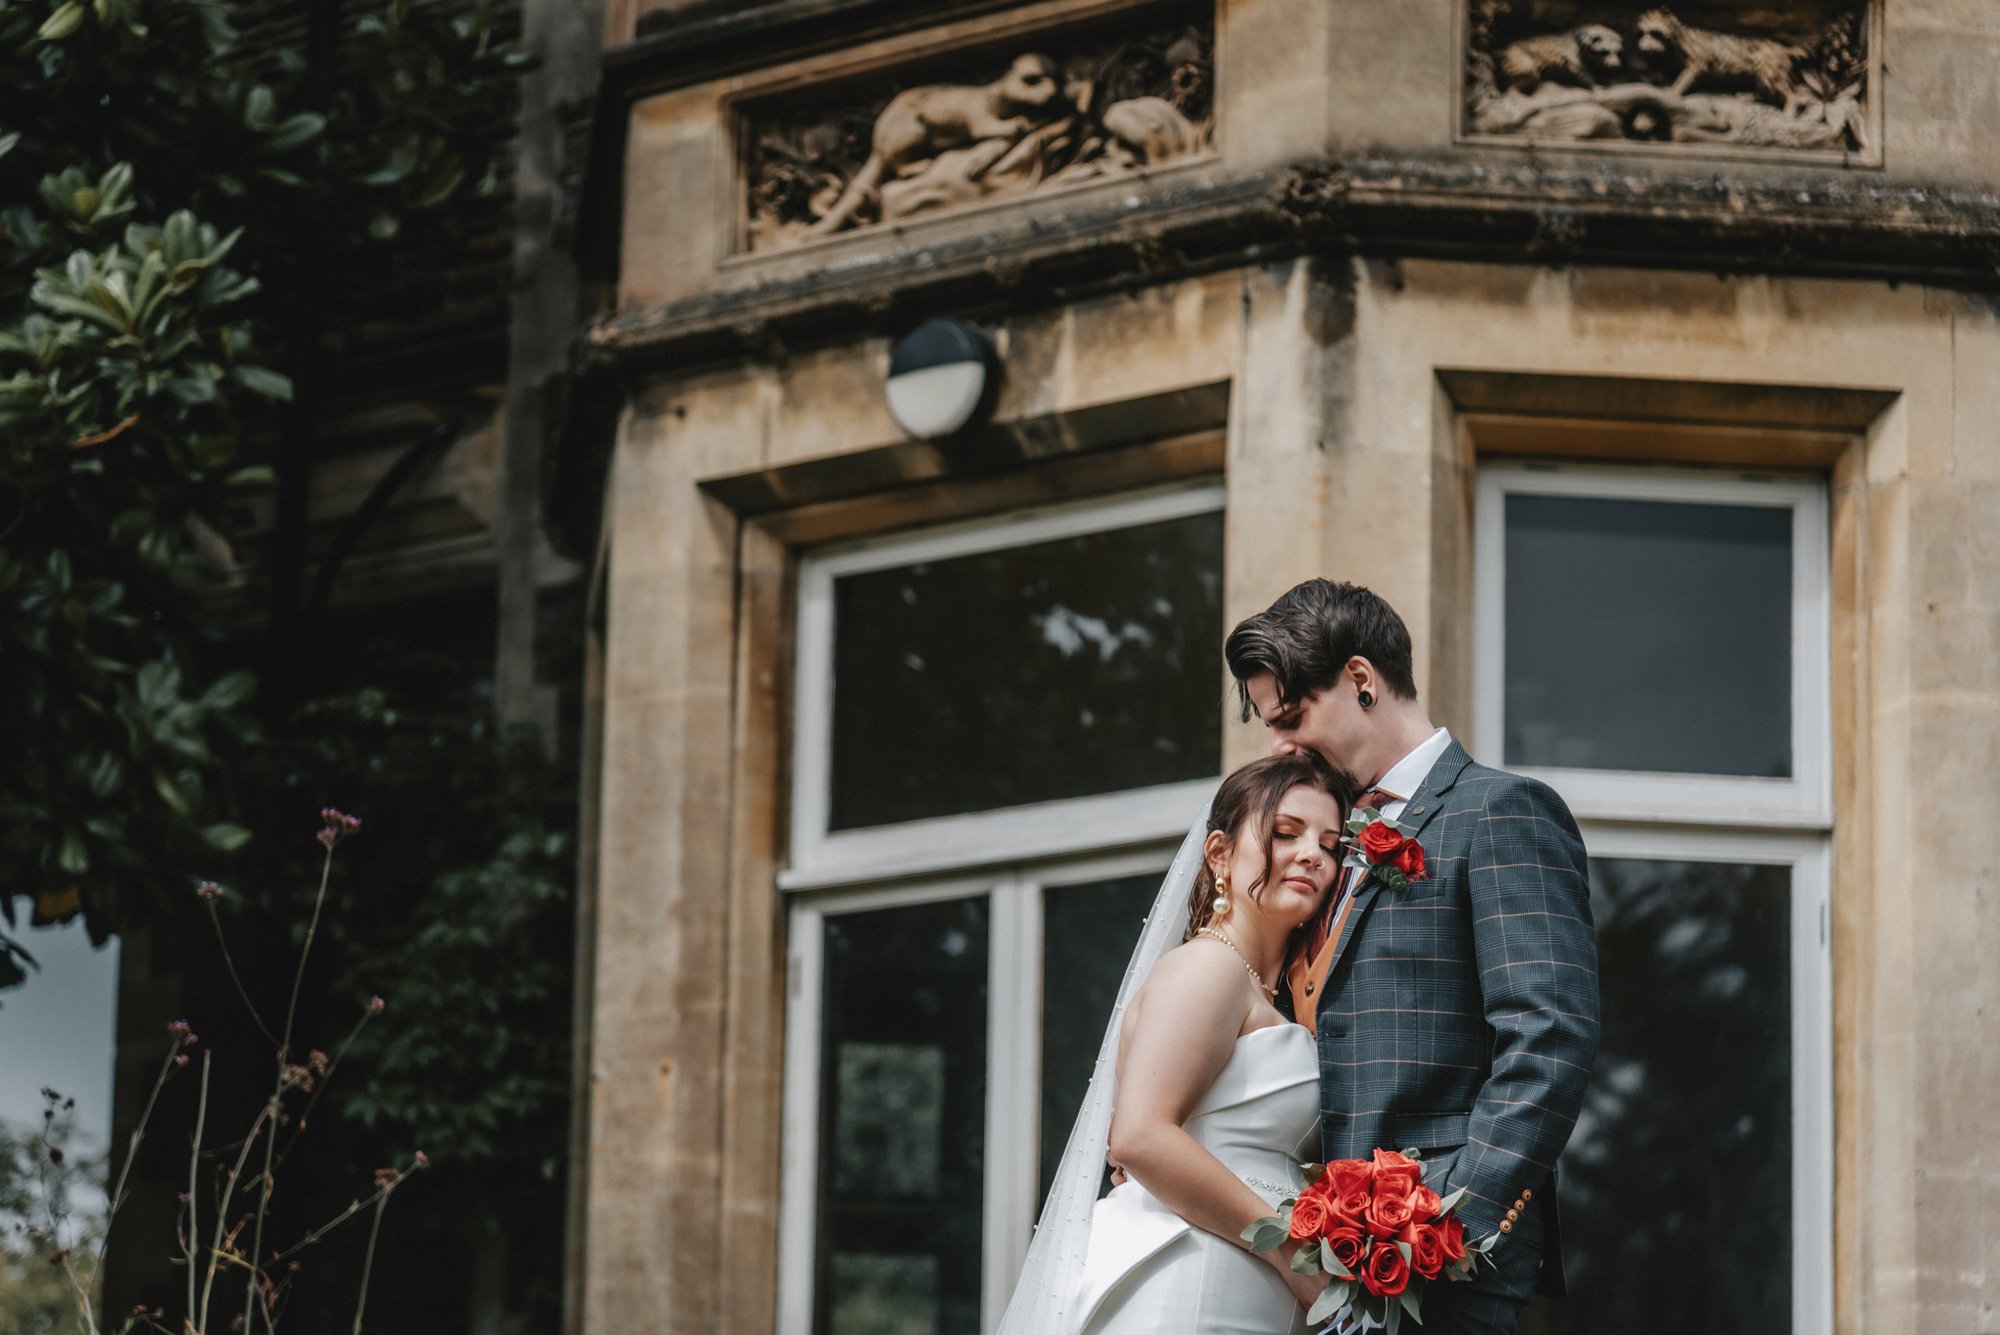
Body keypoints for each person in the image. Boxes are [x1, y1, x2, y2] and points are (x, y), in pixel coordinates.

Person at [1225, 579, 1601, 1335]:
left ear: (1362, 680)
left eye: (1293, 716)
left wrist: (1450, 1222)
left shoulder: (1499, 811)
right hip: (1312, 1271)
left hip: (1439, 1272)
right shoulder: (1322, 849)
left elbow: (1548, 1037)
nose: (1280, 746)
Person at [996, 753, 1348, 1335]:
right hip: (1187, 1286)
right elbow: (1139, 1135)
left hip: (1235, 1291)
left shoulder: (1260, 990)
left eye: (1331, 844)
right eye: (1286, 833)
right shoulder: (1207, 967)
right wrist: (1290, 1252)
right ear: (1219, 854)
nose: (1313, 853)